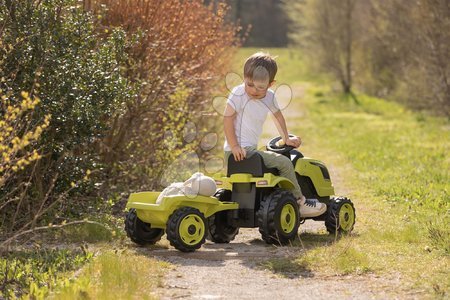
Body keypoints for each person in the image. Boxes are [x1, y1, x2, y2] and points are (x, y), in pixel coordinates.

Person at [223, 52, 326, 217]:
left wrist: (286, 138)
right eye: (249, 84)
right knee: (285, 162)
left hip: (250, 151)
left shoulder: (269, 97)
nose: (254, 90)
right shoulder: (238, 93)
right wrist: (234, 145)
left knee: (270, 161)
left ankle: (273, 201)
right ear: (244, 78)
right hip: (237, 151)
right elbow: (227, 119)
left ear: (271, 84)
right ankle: (300, 201)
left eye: (260, 87)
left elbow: (277, 117)